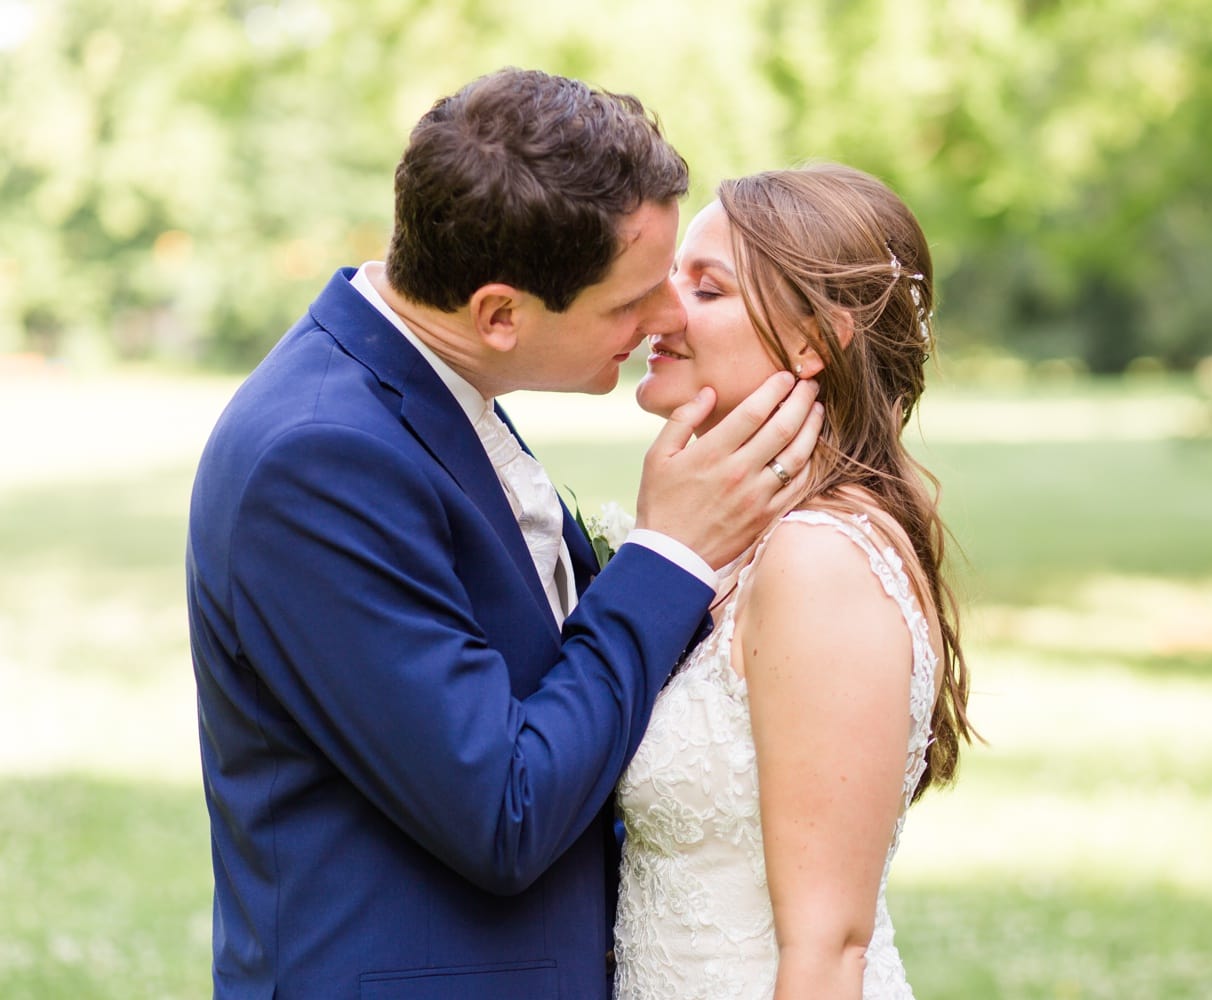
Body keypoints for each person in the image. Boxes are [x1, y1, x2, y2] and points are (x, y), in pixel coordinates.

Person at [185, 68, 821, 1000]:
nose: (667, 319)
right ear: (498, 313)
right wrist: (665, 557)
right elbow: (503, 812)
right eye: (630, 301)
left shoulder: (427, 386)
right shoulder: (317, 460)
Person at [613, 162, 975, 1000]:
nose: (660, 310)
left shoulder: (820, 559)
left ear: (816, 339)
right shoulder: (750, 544)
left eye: (707, 289)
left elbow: (829, 946)